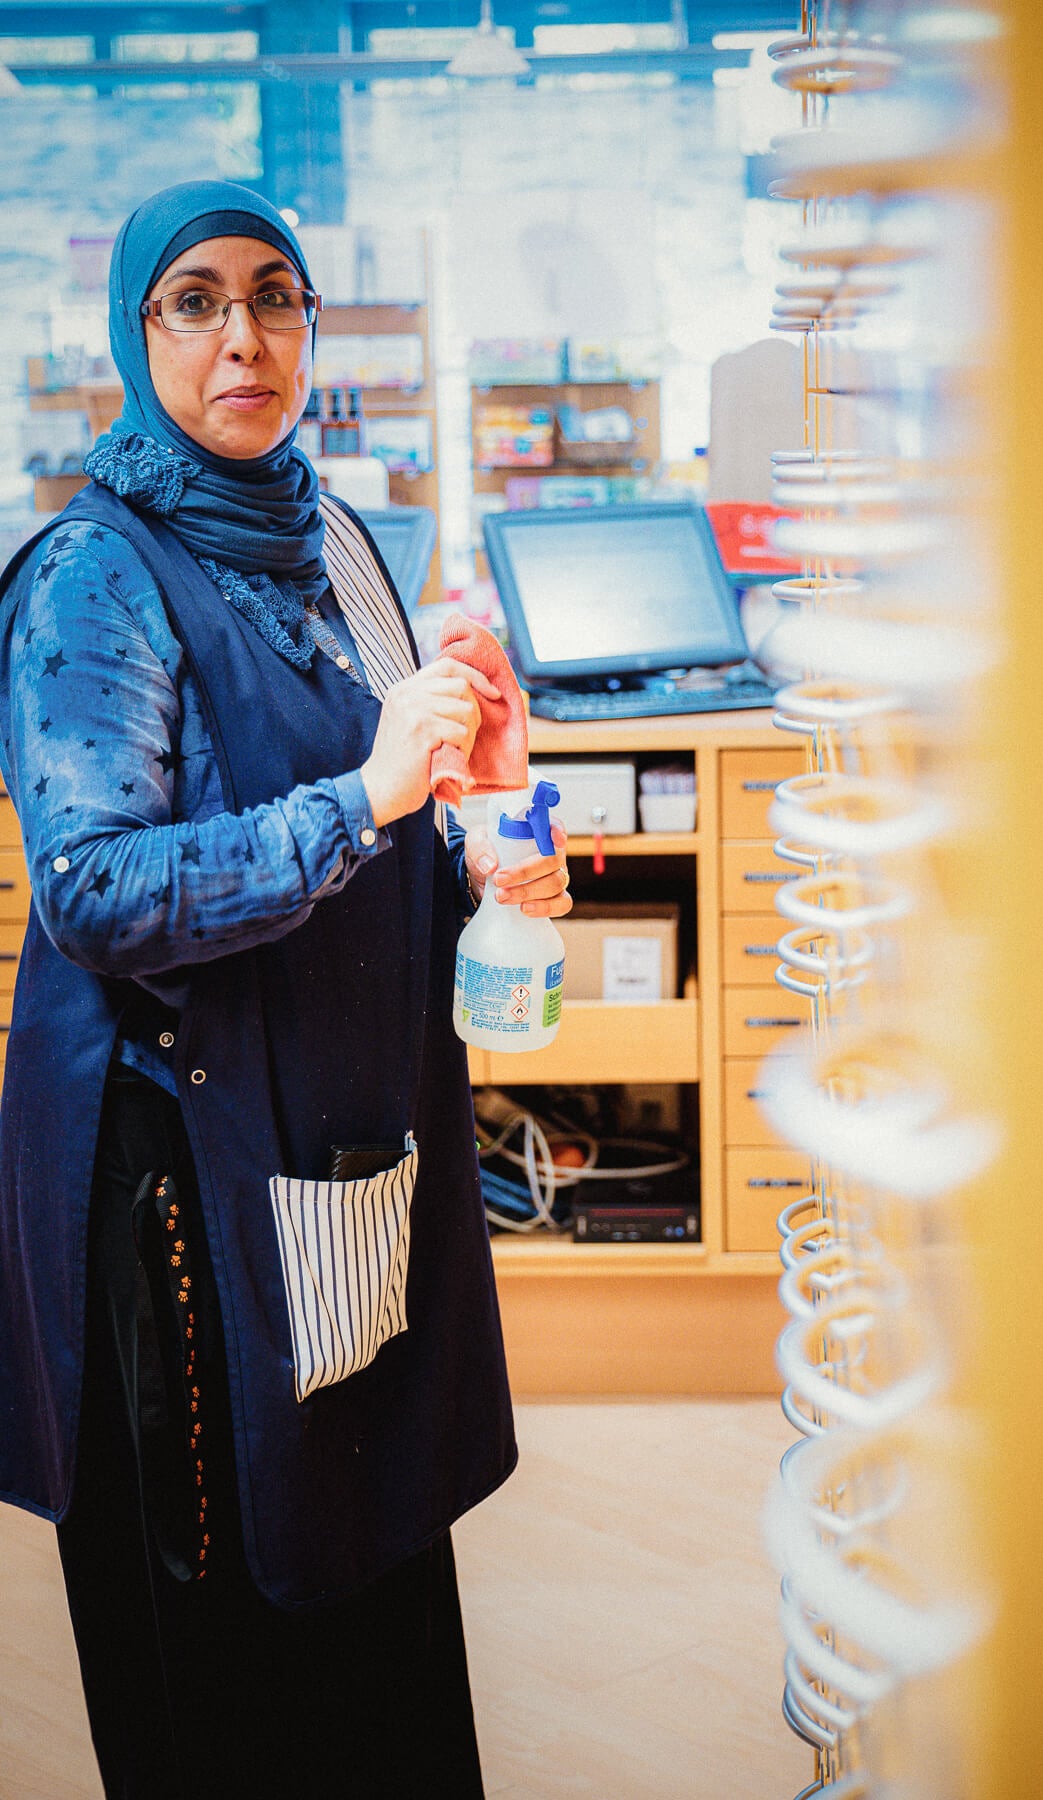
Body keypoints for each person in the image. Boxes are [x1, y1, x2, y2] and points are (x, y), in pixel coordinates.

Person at [0, 179, 571, 1799]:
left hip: (341, 1149)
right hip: (177, 1191)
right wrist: (369, 802)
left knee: (372, 1582)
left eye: (274, 295)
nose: (242, 336)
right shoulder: (94, 575)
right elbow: (94, 892)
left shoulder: (337, 540)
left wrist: (477, 850)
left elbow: (399, 814)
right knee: (233, 1653)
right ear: (136, 335)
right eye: (195, 300)